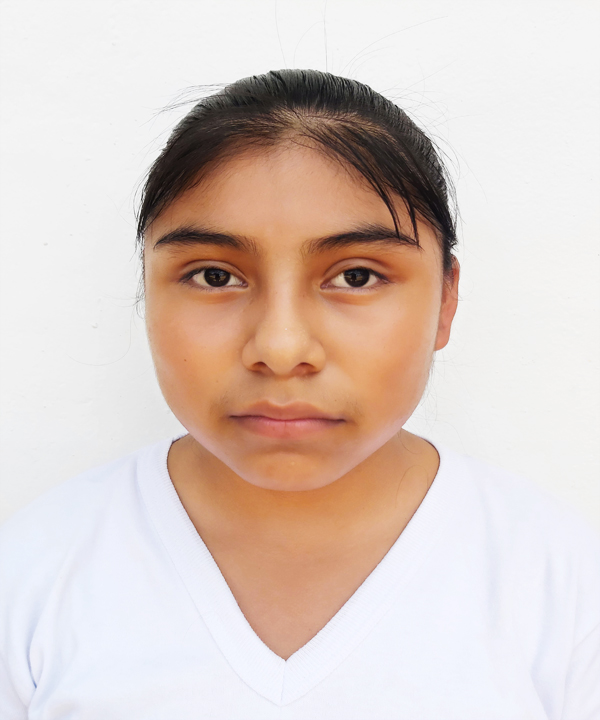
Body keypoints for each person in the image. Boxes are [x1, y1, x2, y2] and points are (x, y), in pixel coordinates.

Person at [0, 68, 598, 720]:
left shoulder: (565, 586)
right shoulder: (31, 575)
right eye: (215, 275)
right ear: (147, 288)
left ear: (446, 301)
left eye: (357, 276)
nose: (281, 349)